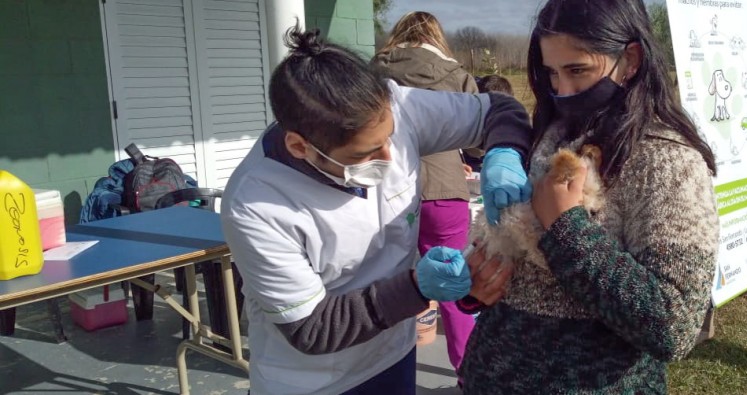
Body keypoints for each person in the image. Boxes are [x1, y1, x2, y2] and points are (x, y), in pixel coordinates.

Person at [220, 24, 531, 395]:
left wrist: (504, 152)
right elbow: (311, 329)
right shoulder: (255, 205)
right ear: (300, 146)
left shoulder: (398, 107)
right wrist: (417, 287)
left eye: (389, 139)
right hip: (315, 380)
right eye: (363, 154)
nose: (389, 156)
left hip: (394, 354)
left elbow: (500, 109)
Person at [459, 0, 720, 393]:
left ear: (630, 60)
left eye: (577, 70)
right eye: (551, 74)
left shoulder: (667, 161)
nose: (562, 90)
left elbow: (674, 325)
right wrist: (478, 288)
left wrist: (565, 228)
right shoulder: (554, 133)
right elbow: (528, 277)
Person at [370, 11, 478, 384]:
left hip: (384, 189)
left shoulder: (374, 71)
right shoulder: (455, 74)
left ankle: (383, 375)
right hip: (443, 189)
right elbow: (477, 136)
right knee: (453, 285)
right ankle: (468, 374)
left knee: (386, 285)